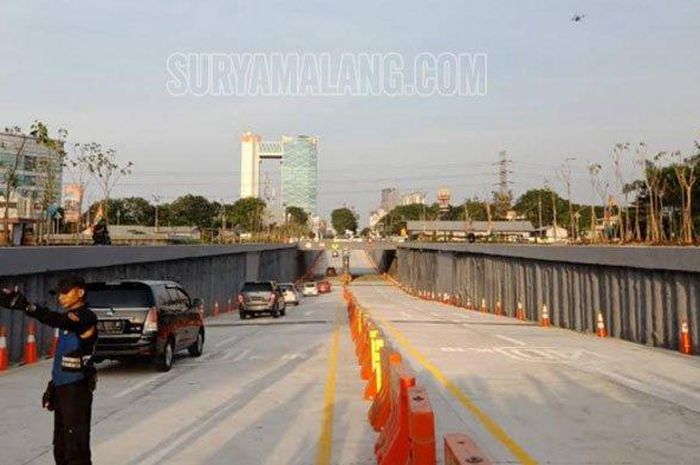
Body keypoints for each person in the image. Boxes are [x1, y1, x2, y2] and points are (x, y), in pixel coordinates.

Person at [0, 275, 98, 465]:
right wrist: (53, 386)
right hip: (63, 387)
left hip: (77, 389)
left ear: (80, 292)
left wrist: (27, 306)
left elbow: (57, 319)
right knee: (60, 446)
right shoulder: (67, 322)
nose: (61, 298)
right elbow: (65, 356)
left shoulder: (86, 317)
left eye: (66, 292)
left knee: (76, 449)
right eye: (58, 294)